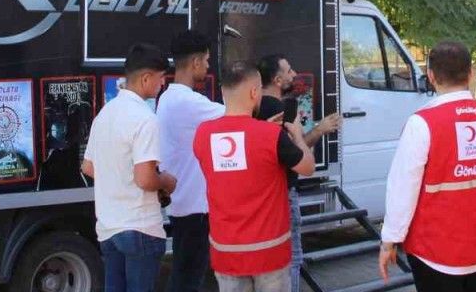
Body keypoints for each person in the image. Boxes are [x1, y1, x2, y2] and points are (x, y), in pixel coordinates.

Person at [379, 41, 476, 292]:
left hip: (434, 250)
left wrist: (390, 240)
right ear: (470, 73)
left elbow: (402, 189)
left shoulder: (422, 123)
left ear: (431, 76)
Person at [195, 60, 315, 292]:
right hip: (270, 252)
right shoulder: (271, 136)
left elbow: (239, 161)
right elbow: (308, 167)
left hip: (226, 251)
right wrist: (297, 136)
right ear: (253, 92)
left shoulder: (203, 134)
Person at [83, 43, 176, 292]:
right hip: (140, 226)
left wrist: (119, 180)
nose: (162, 84)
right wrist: (166, 182)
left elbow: (89, 166)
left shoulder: (104, 114)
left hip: (108, 227)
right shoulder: (145, 118)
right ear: (146, 78)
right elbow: (145, 179)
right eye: (161, 78)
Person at [255, 54, 341, 292]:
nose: (294, 75)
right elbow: (297, 154)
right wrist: (320, 129)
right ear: (277, 80)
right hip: (283, 193)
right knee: (292, 257)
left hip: (262, 195)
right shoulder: (281, 110)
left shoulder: (254, 107)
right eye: (289, 71)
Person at [158, 31, 225, 292]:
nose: (208, 66)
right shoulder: (188, 102)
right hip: (193, 207)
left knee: (185, 275)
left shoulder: (169, 97)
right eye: (206, 60)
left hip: (183, 204)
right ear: (195, 62)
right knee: (187, 279)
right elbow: (237, 114)